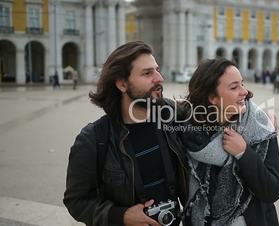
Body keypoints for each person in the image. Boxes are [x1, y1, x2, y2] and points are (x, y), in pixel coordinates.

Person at [63, 41, 188, 226]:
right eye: (147, 73)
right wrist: (120, 216)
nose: (159, 78)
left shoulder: (170, 115)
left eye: (157, 70)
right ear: (122, 84)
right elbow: (76, 201)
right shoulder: (93, 139)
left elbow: (212, 111)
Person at [180, 58, 279, 226]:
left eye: (242, 84)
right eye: (234, 87)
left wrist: (244, 153)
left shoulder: (259, 127)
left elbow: (272, 191)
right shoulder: (188, 130)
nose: (244, 92)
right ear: (212, 97)